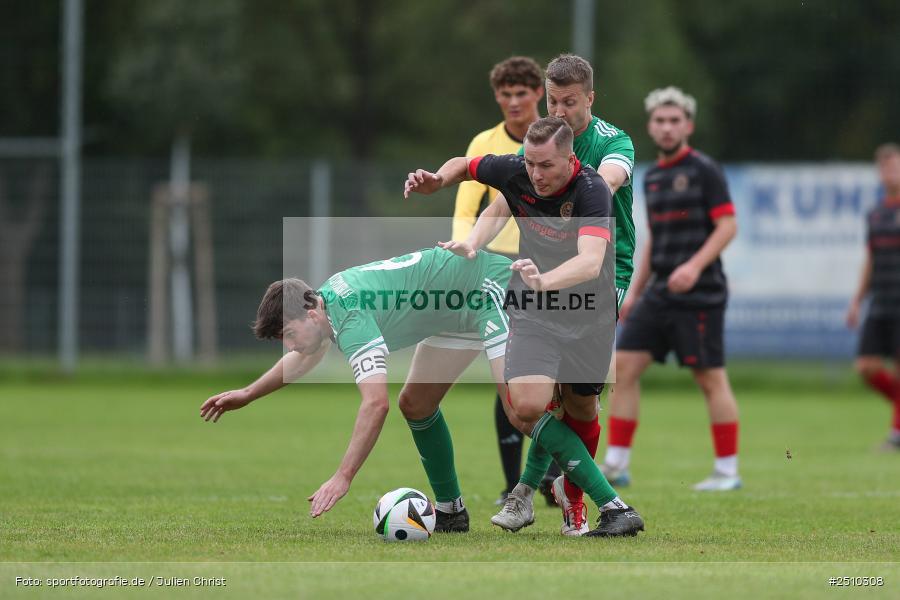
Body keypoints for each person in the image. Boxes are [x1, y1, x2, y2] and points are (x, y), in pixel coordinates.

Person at [404, 116, 645, 537]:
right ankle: (540, 495)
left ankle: (567, 496)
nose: (535, 174)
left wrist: (546, 281)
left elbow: (590, 262)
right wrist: (438, 181)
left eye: (546, 166)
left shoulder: (591, 191)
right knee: (528, 405)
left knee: (581, 410)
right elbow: (466, 164)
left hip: (590, 311)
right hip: (533, 310)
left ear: (570, 158)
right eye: (530, 164)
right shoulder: (517, 170)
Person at [200, 246, 518, 532]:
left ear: (309, 314)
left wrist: (343, 476)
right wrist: (249, 393)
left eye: (289, 334)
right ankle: (451, 511)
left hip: (485, 290)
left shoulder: (349, 316)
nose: (289, 345)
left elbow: (376, 404)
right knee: (416, 404)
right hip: (454, 313)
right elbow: (302, 357)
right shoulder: (325, 303)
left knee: (522, 409)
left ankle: (553, 486)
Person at [508, 53, 637, 535]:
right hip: (546, 272)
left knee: (579, 401)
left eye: (570, 103)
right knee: (543, 394)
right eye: (552, 100)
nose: (559, 111)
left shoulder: (612, 141)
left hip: (606, 271)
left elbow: (609, 178)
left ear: (590, 99)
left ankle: (560, 490)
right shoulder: (540, 142)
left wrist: (571, 189)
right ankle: (557, 495)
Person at [605, 86, 741, 491]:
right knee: (623, 367)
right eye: (660, 121)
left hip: (701, 292)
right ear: (650, 126)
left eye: (674, 121)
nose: (666, 128)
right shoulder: (654, 176)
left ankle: (727, 471)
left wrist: (694, 266)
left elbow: (728, 225)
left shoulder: (704, 170)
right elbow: (653, 241)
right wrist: (633, 292)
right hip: (660, 292)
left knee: (709, 378)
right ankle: (616, 463)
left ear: (688, 126)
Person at [451, 56, 557, 506]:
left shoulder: (555, 139)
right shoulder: (485, 142)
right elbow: (466, 206)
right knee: (508, 372)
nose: (513, 102)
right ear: (497, 97)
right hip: (498, 268)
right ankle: (514, 483)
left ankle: (551, 478)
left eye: (521, 93)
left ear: (538, 94)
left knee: (554, 382)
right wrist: (464, 252)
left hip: (549, 268)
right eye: (505, 94)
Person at [847, 142, 900, 451]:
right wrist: (857, 299)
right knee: (866, 367)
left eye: (894, 166)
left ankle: (896, 435)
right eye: (884, 168)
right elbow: (870, 257)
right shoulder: (876, 213)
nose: (889, 173)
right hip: (880, 300)